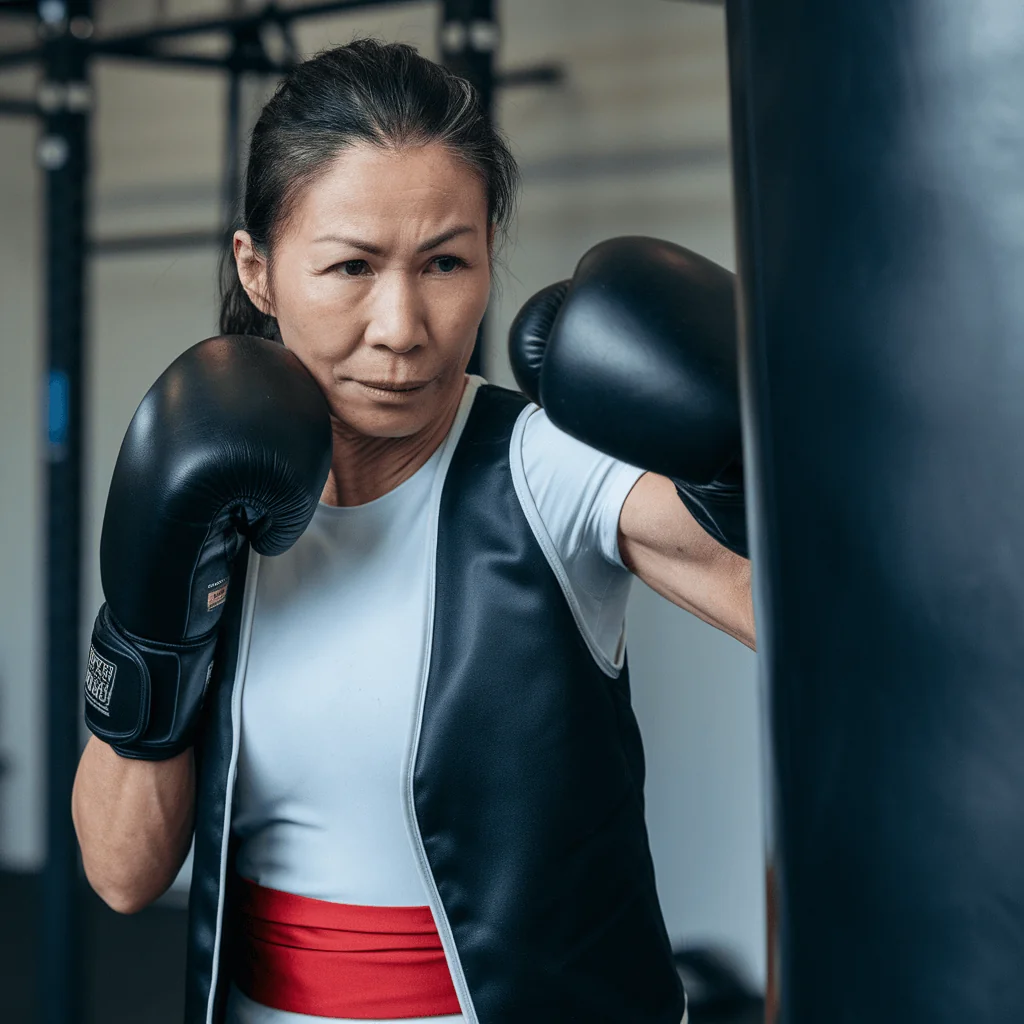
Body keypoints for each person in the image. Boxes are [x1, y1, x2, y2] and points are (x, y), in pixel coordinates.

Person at [72, 40, 754, 1024]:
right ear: (256, 271)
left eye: (444, 262)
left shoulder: (543, 464)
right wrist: (147, 630)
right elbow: (123, 873)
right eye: (350, 266)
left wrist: (758, 465)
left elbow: (832, 636)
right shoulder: (214, 494)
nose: (402, 326)